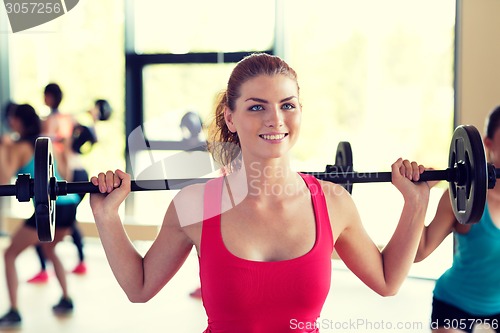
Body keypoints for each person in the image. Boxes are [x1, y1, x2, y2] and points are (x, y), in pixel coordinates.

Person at [89, 53, 431, 332]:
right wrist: (107, 216)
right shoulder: (194, 204)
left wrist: (416, 203)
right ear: (231, 118)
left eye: (288, 105)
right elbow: (140, 287)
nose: (275, 119)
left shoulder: (333, 202)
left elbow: (388, 281)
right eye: (257, 107)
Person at [415, 105, 500, 333]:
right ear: (488, 144)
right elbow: (419, 251)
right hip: (455, 304)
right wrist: (419, 198)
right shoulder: (461, 197)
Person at [0, 104, 81, 327]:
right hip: (69, 205)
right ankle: (66, 298)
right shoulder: (42, 144)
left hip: (51, 206)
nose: (10, 122)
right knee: (49, 249)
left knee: (9, 254)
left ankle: (14, 311)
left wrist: (3, 148)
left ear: (18, 121)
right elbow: (66, 173)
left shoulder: (20, 147)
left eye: (12, 118)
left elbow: (3, 177)